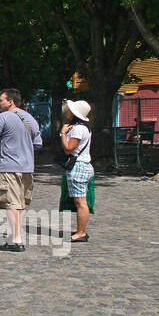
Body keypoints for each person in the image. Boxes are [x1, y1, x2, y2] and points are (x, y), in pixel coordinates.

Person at [0, 88, 41, 252]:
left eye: (1, 100)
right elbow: (38, 143)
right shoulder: (30, 118)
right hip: (28, 167)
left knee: (11, 203)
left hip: (9, 166)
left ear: (10, 101)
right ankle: (16, 236)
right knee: (22, 203)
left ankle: (15, 240)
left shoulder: (1, 117)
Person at [60, 100, 94, 242]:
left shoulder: (78, 129)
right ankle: (81, 229)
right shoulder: (84, 128)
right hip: (85, 165)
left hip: (78, 167)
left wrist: (62, 134)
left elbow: (69, 148)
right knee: (81, 201)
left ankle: (81, 232)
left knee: (80, 202)